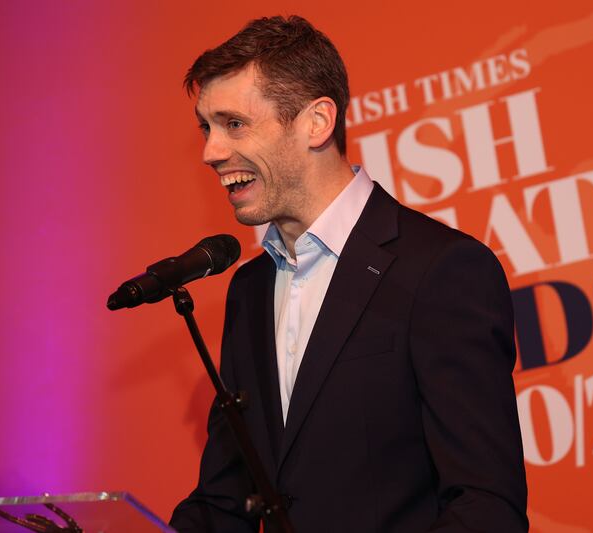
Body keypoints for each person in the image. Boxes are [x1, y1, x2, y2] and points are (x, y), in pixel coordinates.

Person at [170, 15, 528, 533]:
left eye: (235, 124)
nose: (211, 152)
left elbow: (484, 506)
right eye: (207, 127)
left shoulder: (441, 270)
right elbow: (225, 500)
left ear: (317, 122)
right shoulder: (249, 290)